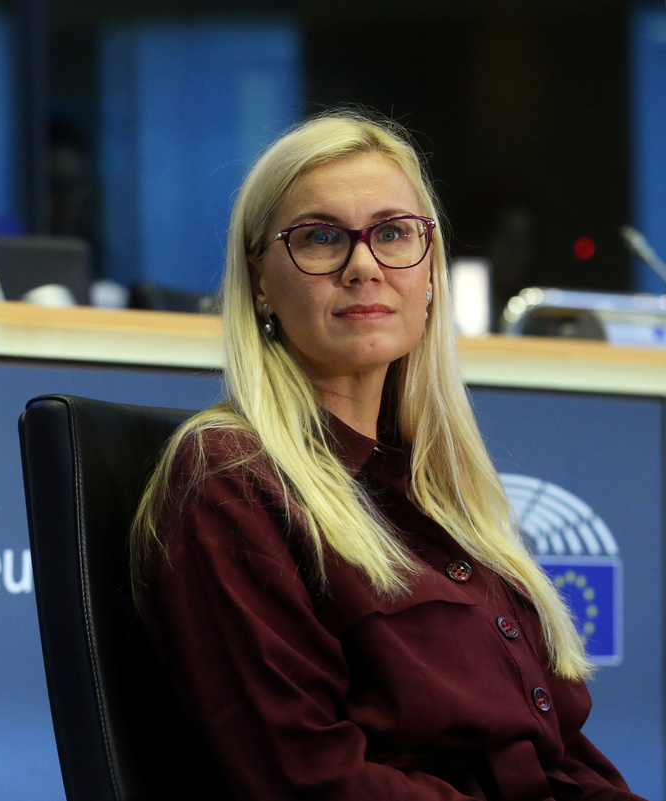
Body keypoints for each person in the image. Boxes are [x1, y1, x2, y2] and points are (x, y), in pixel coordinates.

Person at [131, 110, 644, 800]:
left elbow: (560, 758)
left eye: (394, 233)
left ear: (430, 271)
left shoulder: (438, 490)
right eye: (319, 238)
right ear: (259, 282)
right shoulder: (230, 480)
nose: (364, 266)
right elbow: (307, 780)